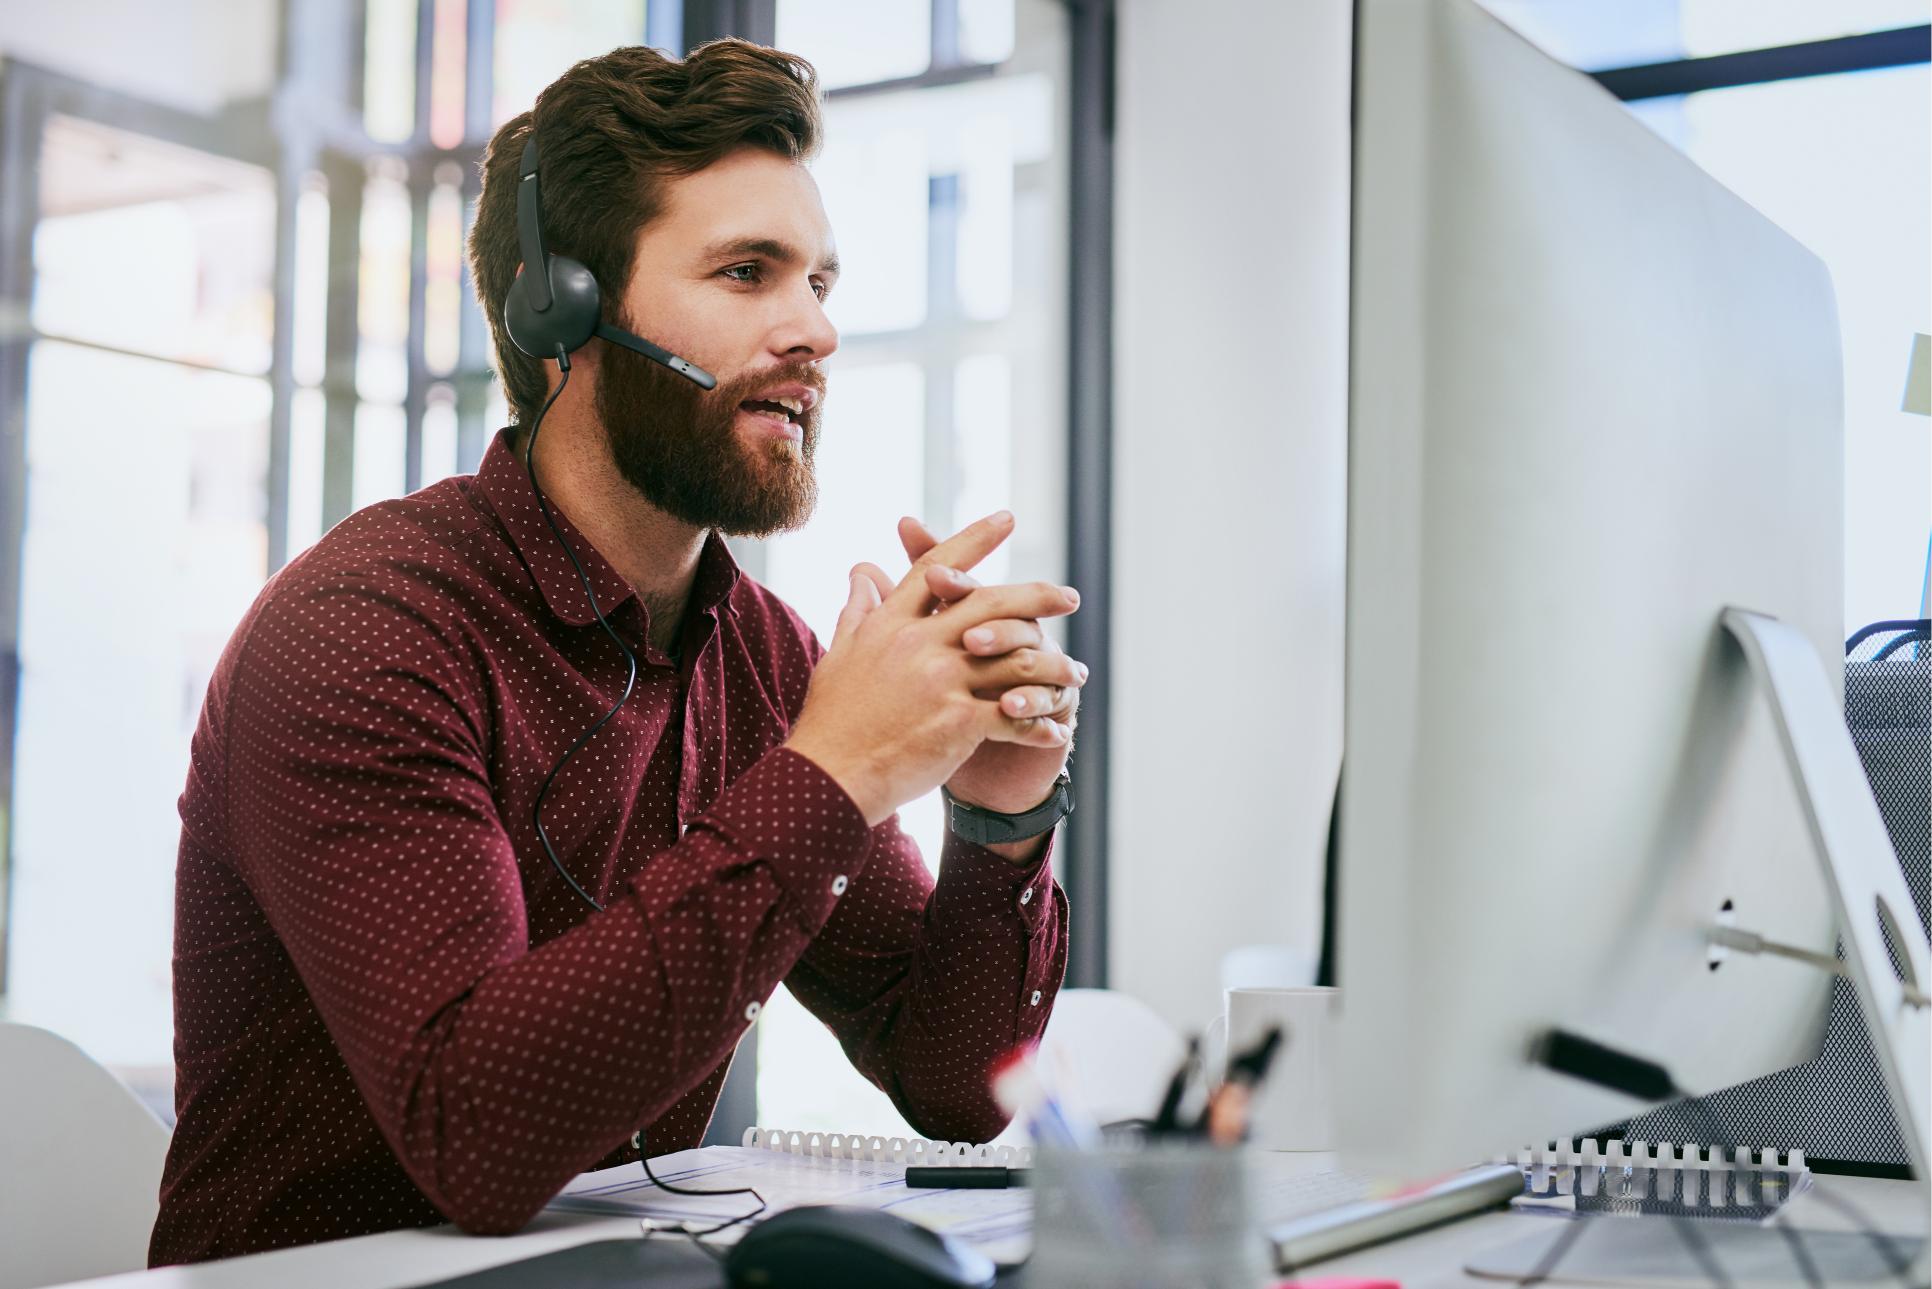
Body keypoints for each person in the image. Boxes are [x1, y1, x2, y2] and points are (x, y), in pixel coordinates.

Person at [150, 38, 1082, 1265]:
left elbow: (960, 1085)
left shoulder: (759, 655)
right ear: (562, 309)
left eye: (821, 282)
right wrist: (840, 767)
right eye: (749, 273)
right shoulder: (366, 632)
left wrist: (999, 817)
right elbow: (472, 1130)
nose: (814, 331)